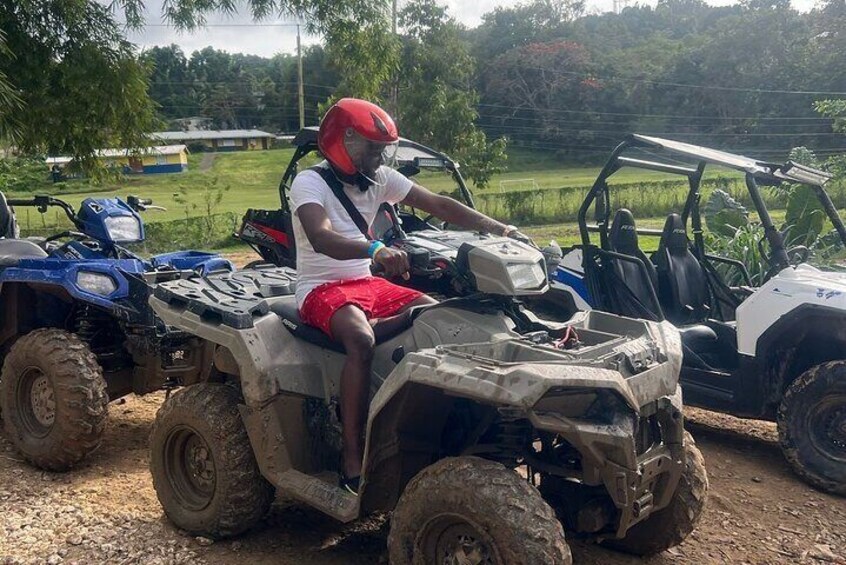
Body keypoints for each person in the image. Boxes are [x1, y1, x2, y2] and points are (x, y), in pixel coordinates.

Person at [290, 98, 528, 494]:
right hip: (322, 287)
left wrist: (501, 229)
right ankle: (353, 456)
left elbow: (438, 204)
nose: (379, 156)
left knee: (440, 315)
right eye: (372, 148)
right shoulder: (309, 182)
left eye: (383, 149)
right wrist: (374, 250)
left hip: (368, 284)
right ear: (344, 141)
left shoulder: (379, 177)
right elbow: (322, 237)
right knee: (360, 339)